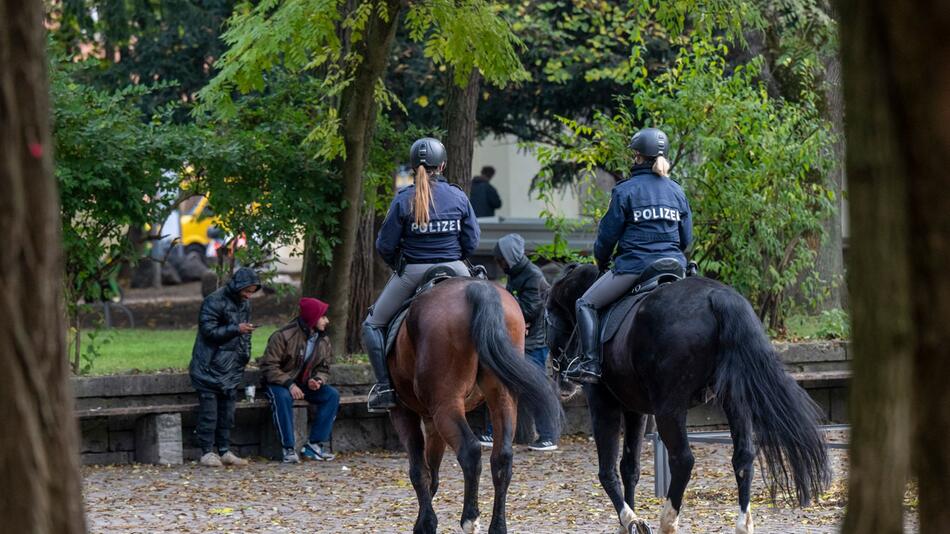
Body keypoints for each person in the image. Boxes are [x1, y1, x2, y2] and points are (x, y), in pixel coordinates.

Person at [564, 128, 693, 384]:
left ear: (639, 157)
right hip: (675, 267)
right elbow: (686, 240)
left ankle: (590, 364)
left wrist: (601, 261)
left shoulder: (625, 191)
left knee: (585, 303)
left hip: (636, 267)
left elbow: (607, 237)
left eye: (634, 155)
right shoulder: (677, 191)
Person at [363, 137, 481, 412]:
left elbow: (385, 245)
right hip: (455, 268)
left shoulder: (404, 198)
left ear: (414, 165)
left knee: (371, 325)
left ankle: (384, 388)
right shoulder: (458, 196)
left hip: (413, 271)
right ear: (442, 165)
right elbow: (472, 241)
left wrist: (399, 265)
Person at [478, 233, 558, 451]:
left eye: (500, 260)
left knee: (536, 387)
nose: (499, 264)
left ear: (509, 257)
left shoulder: (531, 275)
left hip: (533, 342)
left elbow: (529, 310)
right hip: (520, 338)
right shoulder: (517, 273)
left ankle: (548, 436)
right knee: (500, 382)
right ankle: (495, 432)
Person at [189, 267, 261, 467]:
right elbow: (208, 331)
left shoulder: (245, 304)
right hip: (209, 365)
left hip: (231, 366)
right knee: (209, 412)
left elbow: (245, 334)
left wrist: (244, 354)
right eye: (247, 290)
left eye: (252, 291)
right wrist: (235, 329)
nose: (249, 295)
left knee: (227, 412)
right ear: (238, 286)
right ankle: (206, 451)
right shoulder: (214, 301)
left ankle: (224, 449)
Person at [260, 298, 340, 463]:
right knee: (282, 397)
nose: (327, 321)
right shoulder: (283, 336)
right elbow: (269, 367)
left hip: (304, 384)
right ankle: (288, 449)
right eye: (323, 316)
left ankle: (314, 445)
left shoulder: (323, 340)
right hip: (280, 383)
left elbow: (324, 368)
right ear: (312, 317)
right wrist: (289, 384)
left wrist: (317, 379)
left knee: (331, 395)